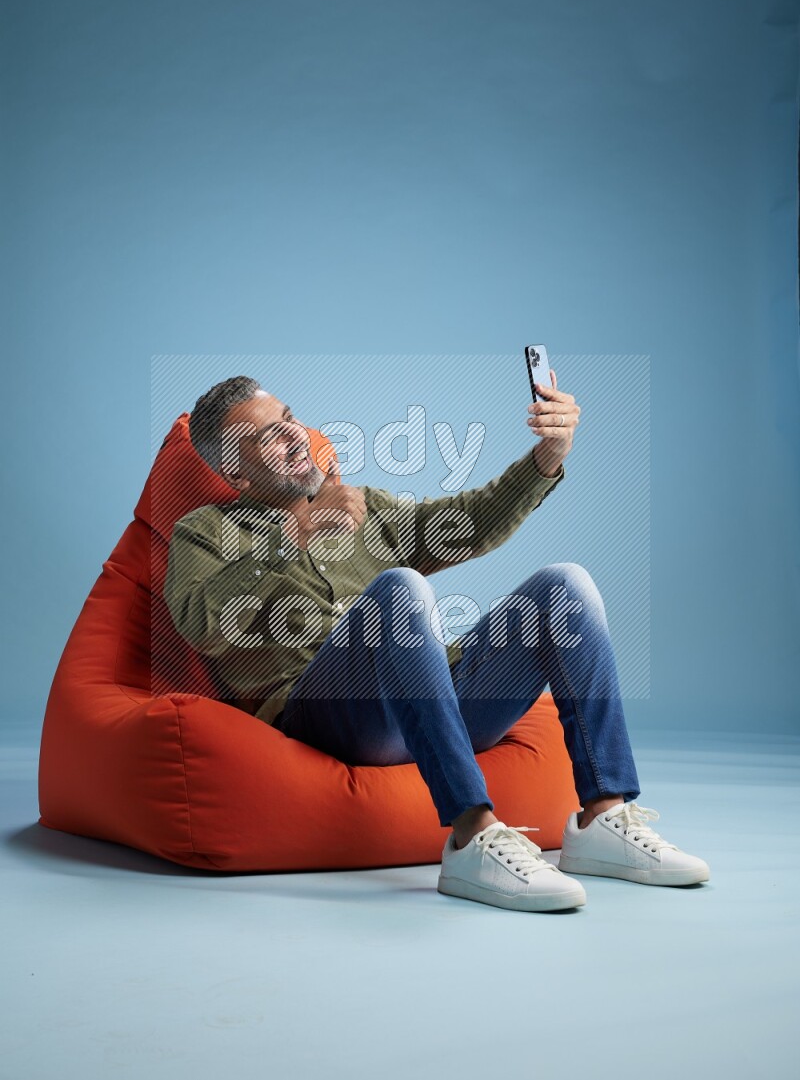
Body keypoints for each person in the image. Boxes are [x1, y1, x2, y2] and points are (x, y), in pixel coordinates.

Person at [164, 374, 710, 913]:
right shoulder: (204, 531)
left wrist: (548, 456)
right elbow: (200, 621)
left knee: (565, 586)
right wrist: (294, 536)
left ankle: (602, 817)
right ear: (235, 470)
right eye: (268, 436)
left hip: (441, 705)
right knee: (400, 589)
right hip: (331, 718)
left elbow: (467, 521)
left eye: (289, 420)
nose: (294, 436)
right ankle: (472, 835)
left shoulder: (364, 508)